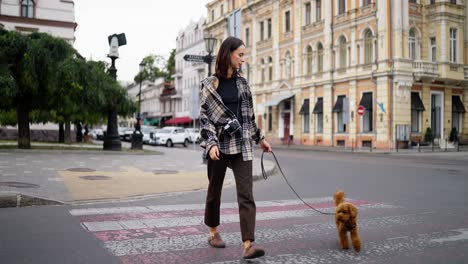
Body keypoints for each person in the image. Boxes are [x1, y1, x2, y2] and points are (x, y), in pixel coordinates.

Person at [199, 36, 272, 259]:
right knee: (214, 191)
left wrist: (260, 138)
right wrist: (210, 143)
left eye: (243, 55)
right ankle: (213, 232)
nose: (243, 59)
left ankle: (248, 244)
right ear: (228, 54)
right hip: (218, 145)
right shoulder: (210, 84)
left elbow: (247, 116)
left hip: (241, 144)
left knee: (246, 194)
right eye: (240, 54)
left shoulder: (243, 83)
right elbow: (205, 118)